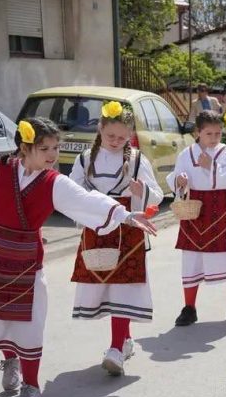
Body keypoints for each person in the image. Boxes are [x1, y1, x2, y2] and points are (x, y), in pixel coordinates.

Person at [0, 117, 156, 397]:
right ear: (25, 148)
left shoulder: (53, 182)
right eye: (45, 148)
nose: (52, 155)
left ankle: (32, 385)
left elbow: (87, 201)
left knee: (28, 322)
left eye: (56, 147)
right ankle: (10, 359)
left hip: (25, 262)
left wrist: (125, 216)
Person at [70, 102, 164, 376]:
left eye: (122, 138)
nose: (116, 141)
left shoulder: (136, 160)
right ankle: (124, 340)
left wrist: (141, 190)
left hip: (129, 229)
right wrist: (88, 200)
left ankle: (115, 349)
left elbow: (157, 195)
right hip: (98, 227)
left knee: (123, 287)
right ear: (100, 129)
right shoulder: (86, 159)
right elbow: (71, 190)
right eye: (111, 136)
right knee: (107, 286)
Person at [168, 110, 226, 326]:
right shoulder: (186, 154)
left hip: (221, 208)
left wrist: (211, 167)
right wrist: (180, 180)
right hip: (194, 211)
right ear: (198, 132)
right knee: (191, 257)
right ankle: (189, 308)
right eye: (209, 134)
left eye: (218, 133)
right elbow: (176, 177)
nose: (214, 138)